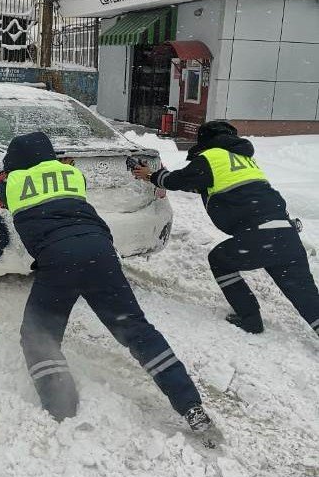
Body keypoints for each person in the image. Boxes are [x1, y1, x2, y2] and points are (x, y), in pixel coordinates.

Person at [0, 131, 213, 436]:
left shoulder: (12, 184)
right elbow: (55, 180)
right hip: (100, 253)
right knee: (137, 330)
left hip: (59, 261)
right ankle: (191, 405)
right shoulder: (72, 174)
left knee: (38, 335)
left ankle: (61, 407)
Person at [133, 120, 319, 337]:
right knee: (304, 294)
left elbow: (176, 181)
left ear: (205, 140)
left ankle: (250, 318)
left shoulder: (211, 158)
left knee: (220, 260)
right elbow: (212, 187)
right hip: (285, 234)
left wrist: (151, 175)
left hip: (259, 236)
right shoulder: (244, 160)